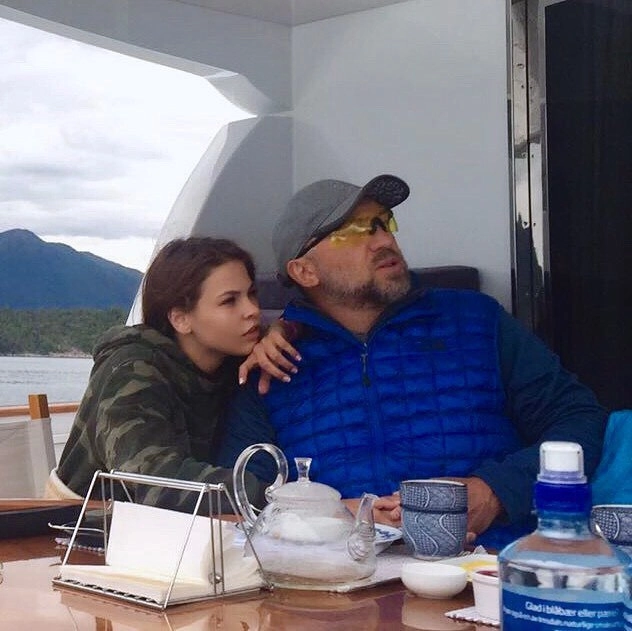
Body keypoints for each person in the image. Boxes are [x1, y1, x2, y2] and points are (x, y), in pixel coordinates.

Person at [217, 174, 608, 549]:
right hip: (341, 578)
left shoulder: (476, 321)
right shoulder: (272, 367)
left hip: (491, 565)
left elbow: (579, 420)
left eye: (384, 223)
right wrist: (336, 516)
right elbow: (239, 505)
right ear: (305, 271)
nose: (384, 240)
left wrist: (495, 492)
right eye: (356, 231)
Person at [45, 236, 268, 510]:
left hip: (187, 529)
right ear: (180, 319)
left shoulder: (234, 363)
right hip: (88, 526)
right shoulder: (132, 371)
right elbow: (153, 482)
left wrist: (287, 330)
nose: (253, 310)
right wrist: (278, 499)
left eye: (252, 294)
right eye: (229, 301)